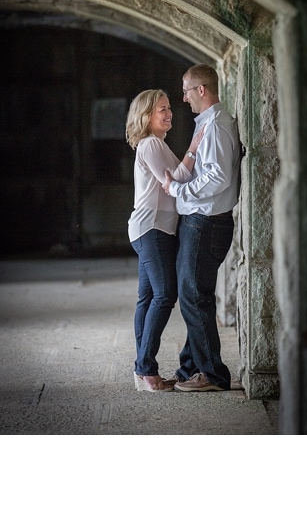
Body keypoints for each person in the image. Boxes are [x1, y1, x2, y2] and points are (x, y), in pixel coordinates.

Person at [161, 64, 240, 392]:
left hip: (206, 223)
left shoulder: (218, 126)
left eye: (187, 90)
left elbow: (217, 177)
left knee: (194, 296)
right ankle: (189, 368)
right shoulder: (208, 123)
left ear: (202, 90)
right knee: (194, 295)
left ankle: (212, 374)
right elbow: (202, 168)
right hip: (201, 222)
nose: (183, 97)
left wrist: (179, 190)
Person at [125, 89, 204, 392]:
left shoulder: (155, 145)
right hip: (153, 229)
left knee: (147, 298)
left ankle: (141, 369)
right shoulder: (152, 144)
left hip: (151, 229)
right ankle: (146, 368)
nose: (169, 113)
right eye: (162, 109)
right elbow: (179, 180)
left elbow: (179, 176)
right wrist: (195, 147)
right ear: (146, 116)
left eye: (169, 108)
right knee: (164, 295)